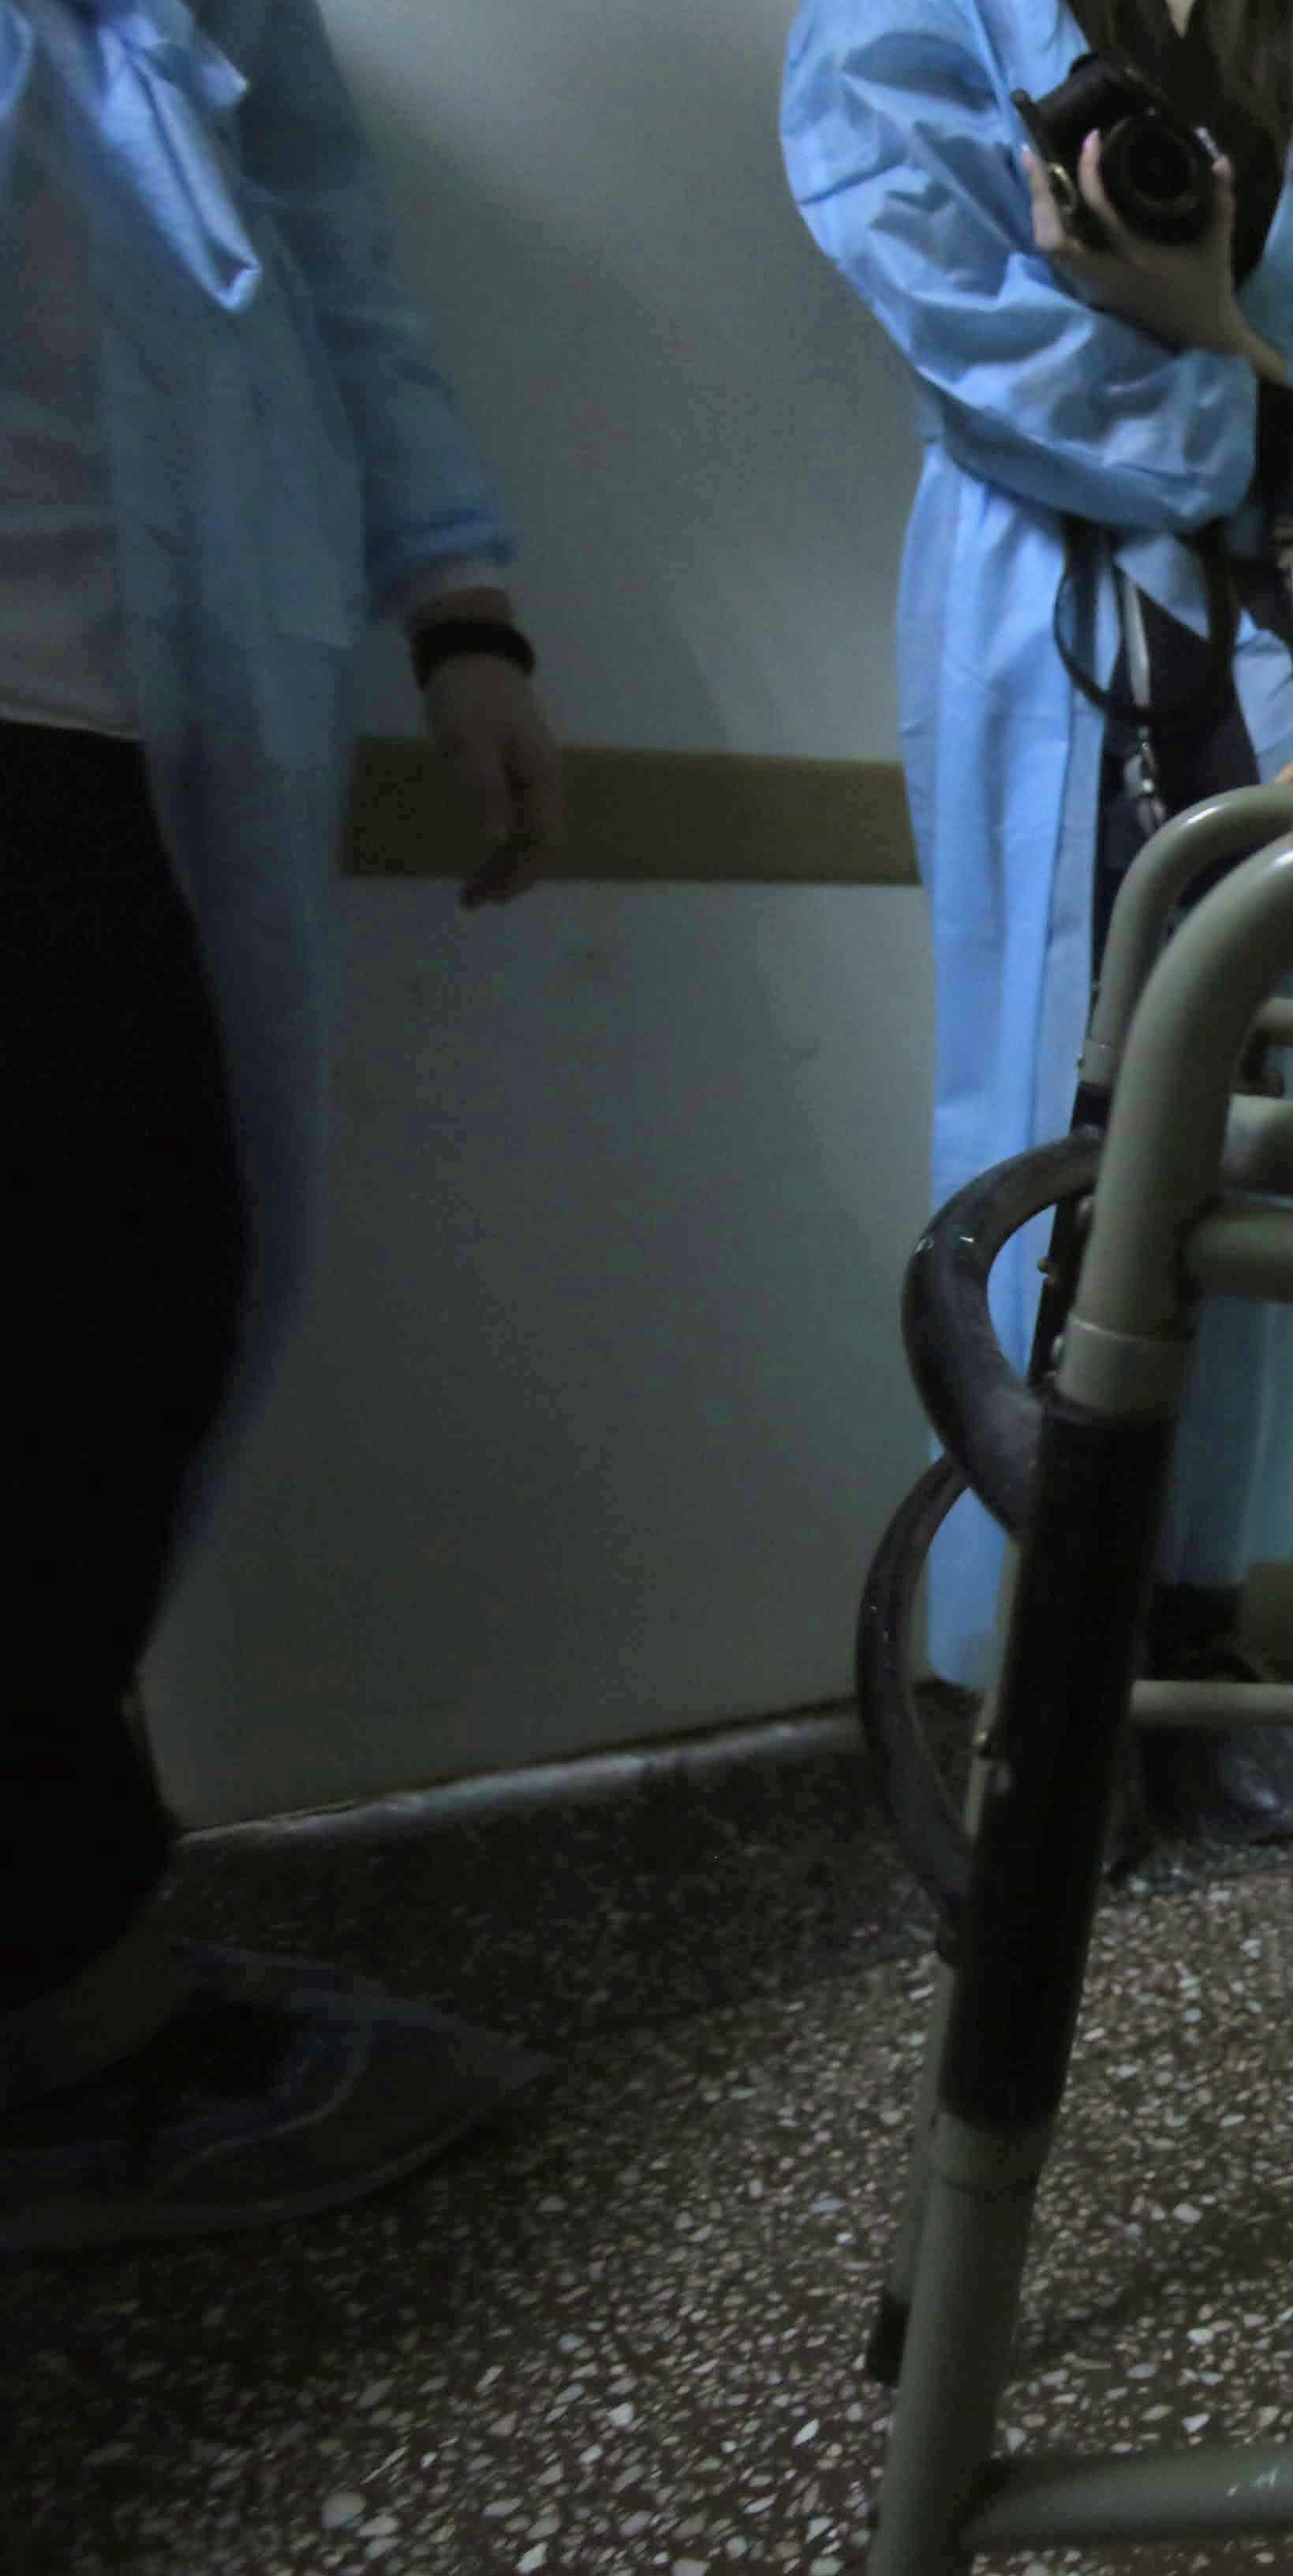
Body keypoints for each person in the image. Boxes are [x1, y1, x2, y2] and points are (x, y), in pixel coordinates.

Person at [783, 0, 1293, 1842]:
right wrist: (1285, 420)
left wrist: (1213, 344)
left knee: (1258, 1145)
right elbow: (966, 320)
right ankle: (1033, 1665)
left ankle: (1199, 1632)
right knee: (1048, 1125)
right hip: (1042, 611)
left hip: (1288, 646)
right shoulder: (928, 16)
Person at [0, 0, 563, 2253]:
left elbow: (327, 253)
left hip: (140, 719)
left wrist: (466, 612)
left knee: (121, 1335)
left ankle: (64, 1975)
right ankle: (68, 2016)